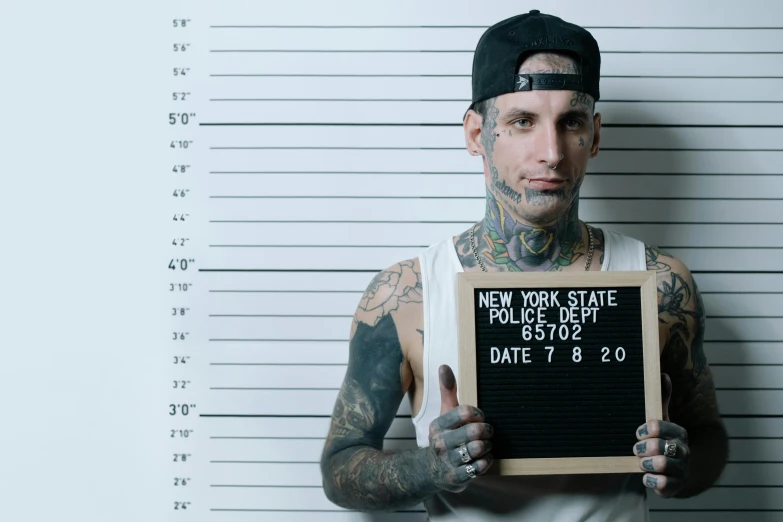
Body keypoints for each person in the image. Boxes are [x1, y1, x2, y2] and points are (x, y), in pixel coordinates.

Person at [320, 10, 729, 521]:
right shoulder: (406, 295)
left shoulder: (662, 284)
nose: (552, 153)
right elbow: (339, 468)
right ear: (476, 133)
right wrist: (430, 468)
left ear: (595, 136)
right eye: (522, 122)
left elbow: (710, 442)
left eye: (571, 122)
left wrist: (681, 465)